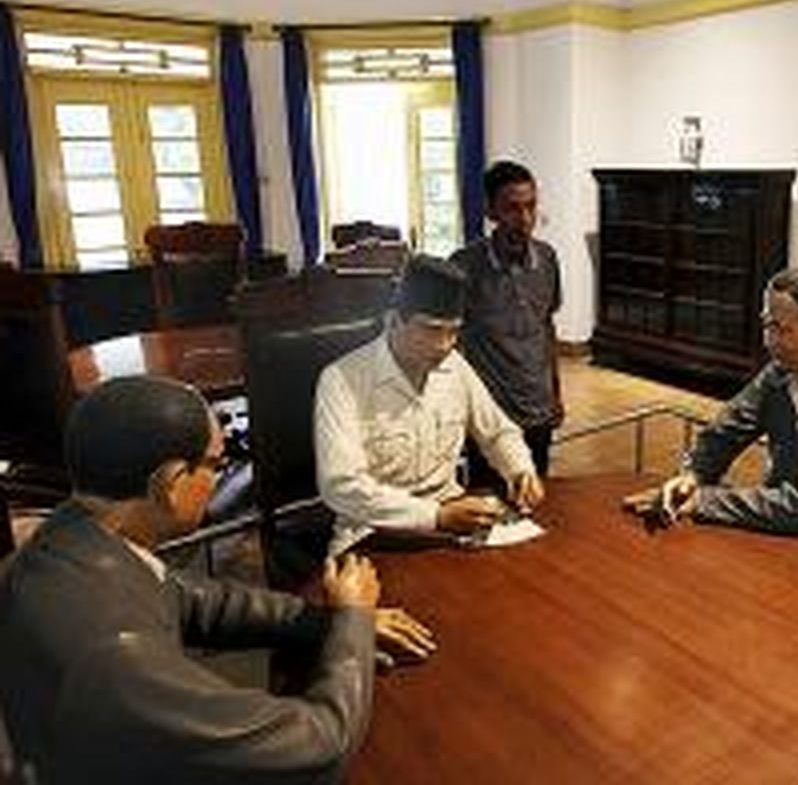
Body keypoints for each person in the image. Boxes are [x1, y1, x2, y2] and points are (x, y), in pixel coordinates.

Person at [0, 376, 436, 785]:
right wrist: (354, 618)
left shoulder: (69, 536)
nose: (220, 476)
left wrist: (329, 623)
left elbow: (191, 597)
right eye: (215, 463)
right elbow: (320, 747)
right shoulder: (117, 658)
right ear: (170, 483)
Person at [625, 265, 798, 533]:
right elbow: (724, 433)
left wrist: (705, 501)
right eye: (767, 325)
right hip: (777, 522)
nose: (769, 341)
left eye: (783, 330)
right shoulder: (782, 370)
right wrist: (693, 475)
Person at [315, 254, 544, 557]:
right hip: (372, 532)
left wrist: (519, 469)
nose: (445, 344)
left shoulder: (454, 366)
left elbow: (498, 432)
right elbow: (341, 486)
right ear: (394, 321)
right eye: (433, 329)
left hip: (453, 523)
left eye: (454, 331)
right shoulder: (342, 380)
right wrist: (434, 516)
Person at [450, 160, 563, 482]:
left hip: (538, 410)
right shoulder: (464, 266)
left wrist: (555, 393)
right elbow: (448, 345)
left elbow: (547, 328)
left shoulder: (549, 259)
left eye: (531, 207)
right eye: (512, 209)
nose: (525, 220)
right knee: (488, 511)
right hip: (489, 417)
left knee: (538, 500)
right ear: (490, 211)